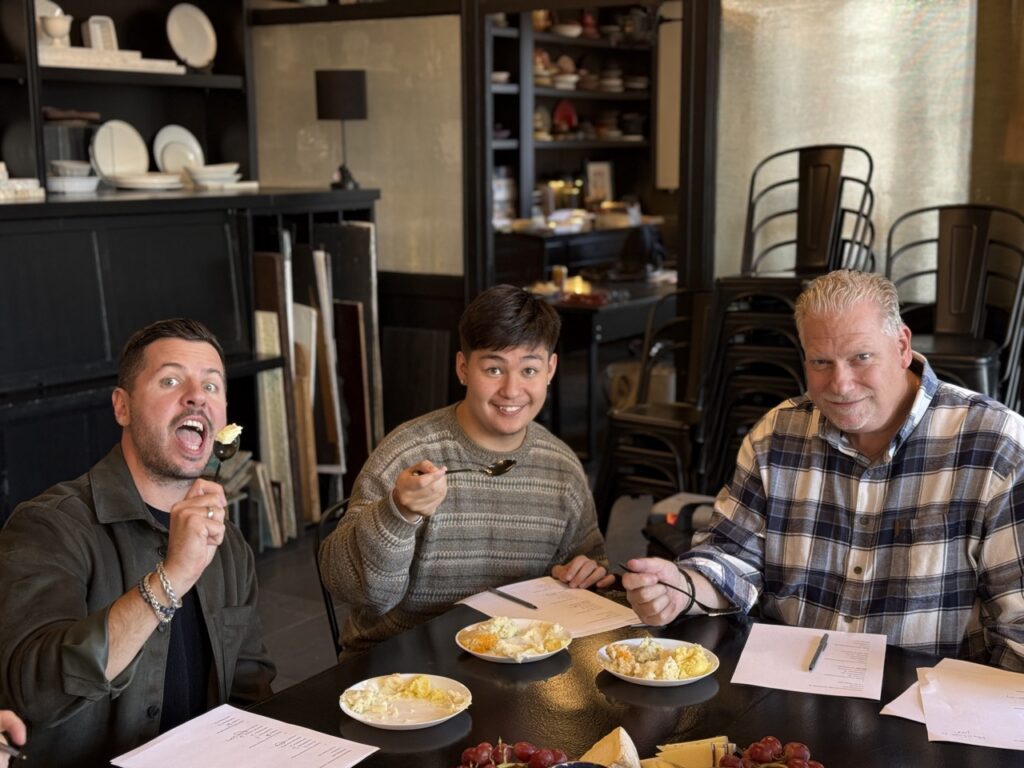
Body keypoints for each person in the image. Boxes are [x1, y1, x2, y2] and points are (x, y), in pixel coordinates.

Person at [622, 269, 1024, 671]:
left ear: (902, 346)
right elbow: (731, 554)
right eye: (821, 362)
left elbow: (1018, 627)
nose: (841, 384)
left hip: (928, 704)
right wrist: (683, 589)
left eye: (860, 358)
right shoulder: (777, 434)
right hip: (787, 689)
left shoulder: (996, 445)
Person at [0, 318, 275, 766]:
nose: (196, 396)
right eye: (170, 380)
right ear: (122, 407)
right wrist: (172, 577)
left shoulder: (228, 544)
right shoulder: (48, 527)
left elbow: (250, 687)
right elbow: (35, 692)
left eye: (212, 386)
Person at [320, 284, 614, 653]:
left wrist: (584, 572)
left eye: (529, 370)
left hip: (514, 659)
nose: (512, 390)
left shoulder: (561, 468)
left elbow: (589, 568)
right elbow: (358, 592)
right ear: (463, 368)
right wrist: (399, 512)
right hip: (401, 658)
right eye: (493, 368)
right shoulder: (408, 453)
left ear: (550, 370)